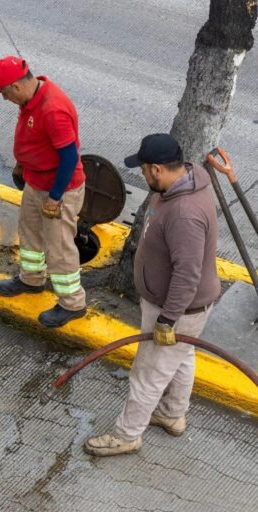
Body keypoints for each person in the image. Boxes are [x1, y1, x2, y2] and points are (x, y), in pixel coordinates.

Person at [84, 133, 220, 456]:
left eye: (143, 169)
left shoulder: (185, 213)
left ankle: (127, 434)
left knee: (148, 373)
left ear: (157, 169)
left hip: (179, 311)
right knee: (181, 357)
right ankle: (173, 415)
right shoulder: (178, 186)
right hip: (182, 308)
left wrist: (167, 320)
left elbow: (187, 275)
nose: (142, 175)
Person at [0, 56, 87, 328]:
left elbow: (68, 158)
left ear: (16, 87)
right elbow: (37, 140)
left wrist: (55, 198)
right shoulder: (32, 99)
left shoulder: (52, 109)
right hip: (36, 181)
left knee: (59, 247)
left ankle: (72, 303)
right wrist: (24, 162)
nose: (5, 99)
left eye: (5, 93)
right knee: (29, 230)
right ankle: (32, 280)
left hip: (59, 188)